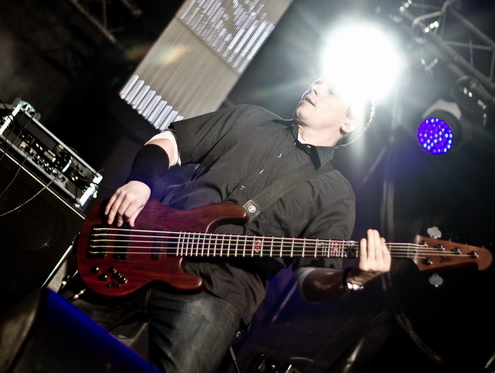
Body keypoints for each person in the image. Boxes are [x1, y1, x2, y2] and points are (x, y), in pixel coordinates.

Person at [62, 76, 391, 373]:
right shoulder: (250, 118)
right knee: (56, 332)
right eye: (317, 82)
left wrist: (352, 279)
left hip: (219, 293)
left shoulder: (336, 194)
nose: (315, 88)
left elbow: (310, 279)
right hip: (139, 248)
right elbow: (172, 141)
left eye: (331, 91)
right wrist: (141, 182)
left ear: (349, 122)